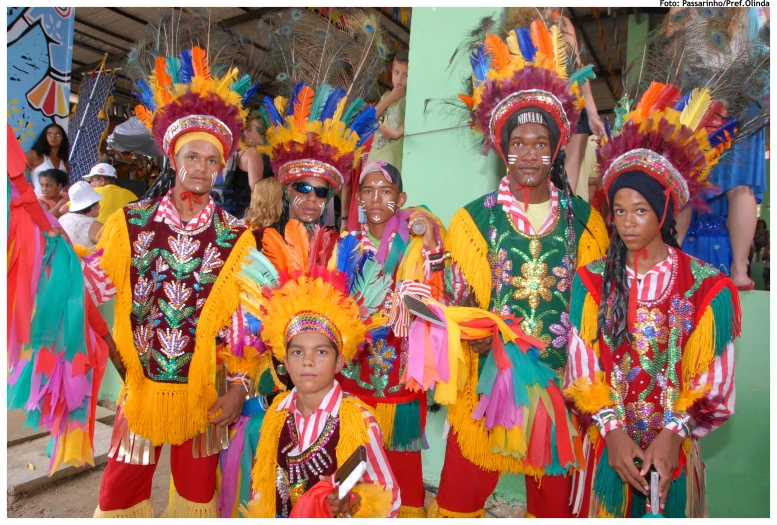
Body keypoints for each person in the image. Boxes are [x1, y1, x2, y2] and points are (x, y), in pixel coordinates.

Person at [432, 19, 609, 518]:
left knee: (555, 508)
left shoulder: (584, 221)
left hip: (559, 393)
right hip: (490, 390)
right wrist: (467, 330)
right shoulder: (472, 220)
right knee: (458, 499)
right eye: (518, 142)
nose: (528, 153)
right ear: (502, 146)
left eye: (539, 142)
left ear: (555, 147)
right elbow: (455, 299)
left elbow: (591, 311)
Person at [217, 8, 387, 517]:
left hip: (332, 403)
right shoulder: (254, 243)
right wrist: (249, 384)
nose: (310, 199)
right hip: (267, 394)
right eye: (301, 189)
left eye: (320, 191)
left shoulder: (348, 248)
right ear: (286, 188)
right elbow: (237, 328)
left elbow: (367, 328)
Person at [87, 45, 261, 518]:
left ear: (222, 167)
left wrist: (239, 389)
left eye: (211, 160)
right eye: (192, 156)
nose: (201, 167)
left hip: (207, 392)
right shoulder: (132, 223)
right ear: (173, 157)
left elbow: (250, 323)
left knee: (198, 496)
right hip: (141, 392)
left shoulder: (236, 238)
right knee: (118, 493)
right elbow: (95, 286)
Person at [564, 81, 741, 518]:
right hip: (607, 451)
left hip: (672, 457)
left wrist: (676, 432)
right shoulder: (590, 282)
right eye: (619, 210)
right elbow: (581, 366)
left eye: (640, 210)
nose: (626, 222)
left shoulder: (707, 288)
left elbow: (714, 378)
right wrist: (612, 431)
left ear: (663, 212)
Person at [236, 224, 399, 518]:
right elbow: (262, 487)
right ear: (284, 360)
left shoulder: (358, 422)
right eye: (297, 352)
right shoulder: (276, 415)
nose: (307, 361)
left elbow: (390, 497)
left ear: (339, 362)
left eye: (321, 352)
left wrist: (352, 504)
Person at [8, 123, 117, 476]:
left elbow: (24, 190)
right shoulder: (44, 230)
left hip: (65, 305)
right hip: (65, 306)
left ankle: (66, 429)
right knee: (74, 364)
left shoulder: (50, 224)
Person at [341, 161, 448, 517]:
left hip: (401, 375)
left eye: (385, 192)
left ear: (400, 198)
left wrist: (430, 242)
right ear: (358, 199)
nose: (375, 200)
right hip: (353, 378)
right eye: (367, 191)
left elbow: (440, 296)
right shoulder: (346, 246)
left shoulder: (416, 243)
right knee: (352, 462)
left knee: (403, 465)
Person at [664, 7, 770, 291]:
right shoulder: (756, 10)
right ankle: (739, 270)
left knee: (685, 184)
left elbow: (674, 58)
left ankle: (671, 263)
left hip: (699, 99)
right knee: (742, 188)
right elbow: (765, 55)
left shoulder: (685, 8)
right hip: (745, 99)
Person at [506, 8, 606, 194]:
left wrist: (592, 111)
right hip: (535, 111)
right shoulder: (516, 26)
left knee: (568, 184)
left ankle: (564, 219)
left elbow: (578, 67)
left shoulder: (562, 22)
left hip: (571, 108)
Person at [225, 116, 265, 218]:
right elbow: (256, 189)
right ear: (247, 133)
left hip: (230, 210)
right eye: (260, 131)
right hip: (245, 212)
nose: (265, 134)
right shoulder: (253, 152)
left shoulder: (236, 150)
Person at [26, 123, 70, 195]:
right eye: (49, 134)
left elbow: (65, 186)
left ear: (63, 138)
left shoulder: (65, 163)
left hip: (59, 204)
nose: (53, 137)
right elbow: (13, 167)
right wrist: (27, 187)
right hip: (38, 202)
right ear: (45, 136)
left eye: (57, 134)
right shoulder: (36, 155)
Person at [59, 180, 103, 248]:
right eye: (98, 202)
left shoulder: (61, 219)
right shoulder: (94, 225)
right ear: (92, 207)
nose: (99, 206)